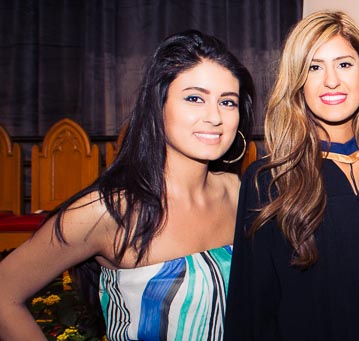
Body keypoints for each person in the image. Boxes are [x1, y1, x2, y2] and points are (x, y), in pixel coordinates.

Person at [0, 30, 254, 341]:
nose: (215, 116)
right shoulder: (108, 212)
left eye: (228, 102)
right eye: (194, 98)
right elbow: (4, 294)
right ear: (157, 106)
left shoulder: (236, 190)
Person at [224, 10, 359, 340]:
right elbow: (250, 312)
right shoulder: (268, 181)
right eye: (314, 67)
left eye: (344, 64)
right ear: (297, 83)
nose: (331, 80)